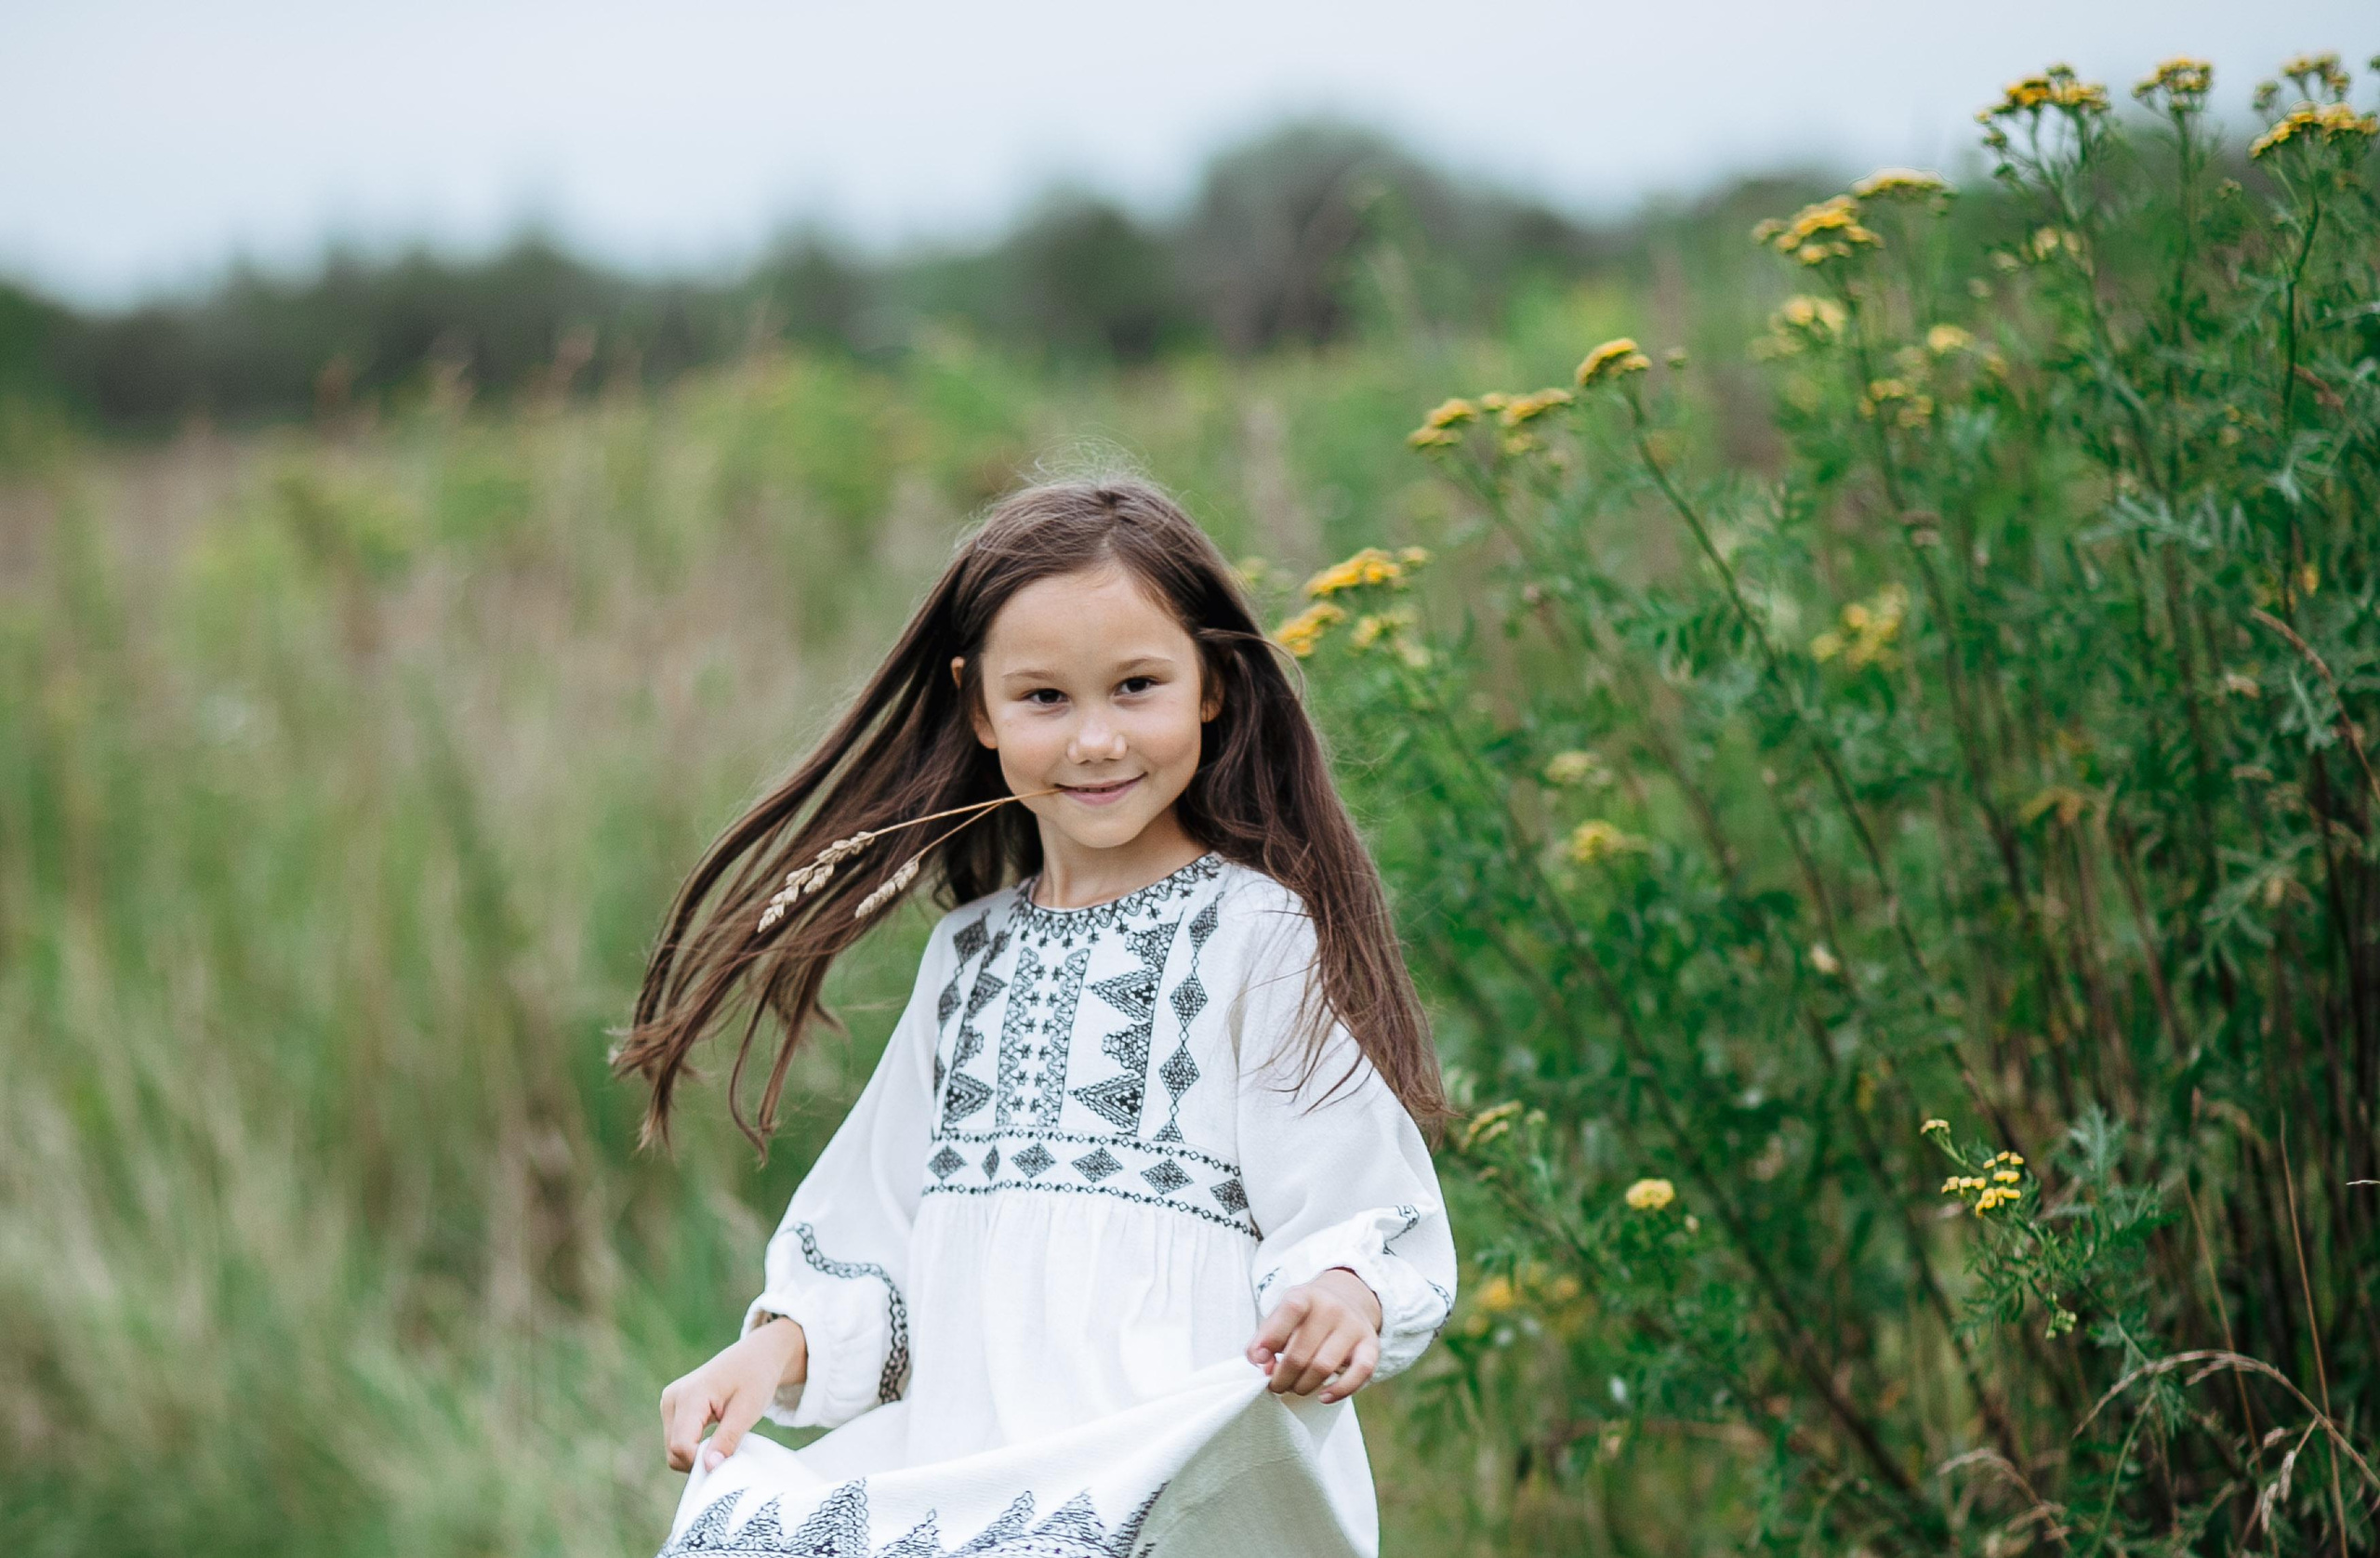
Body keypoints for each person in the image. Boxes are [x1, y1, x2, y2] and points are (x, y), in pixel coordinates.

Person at [614, 476, 1456, 1557]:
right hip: (987, 1492)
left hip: (1167, 1490)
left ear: (1210, 684)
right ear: (978, 705)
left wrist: (1343, 1293)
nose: (1096, 739)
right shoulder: (968, 958)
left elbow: (1348, 1197)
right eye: (1045, 698)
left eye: (1137, 685)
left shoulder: (1258, 934)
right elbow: (881, 1233)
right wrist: (769, 1351)